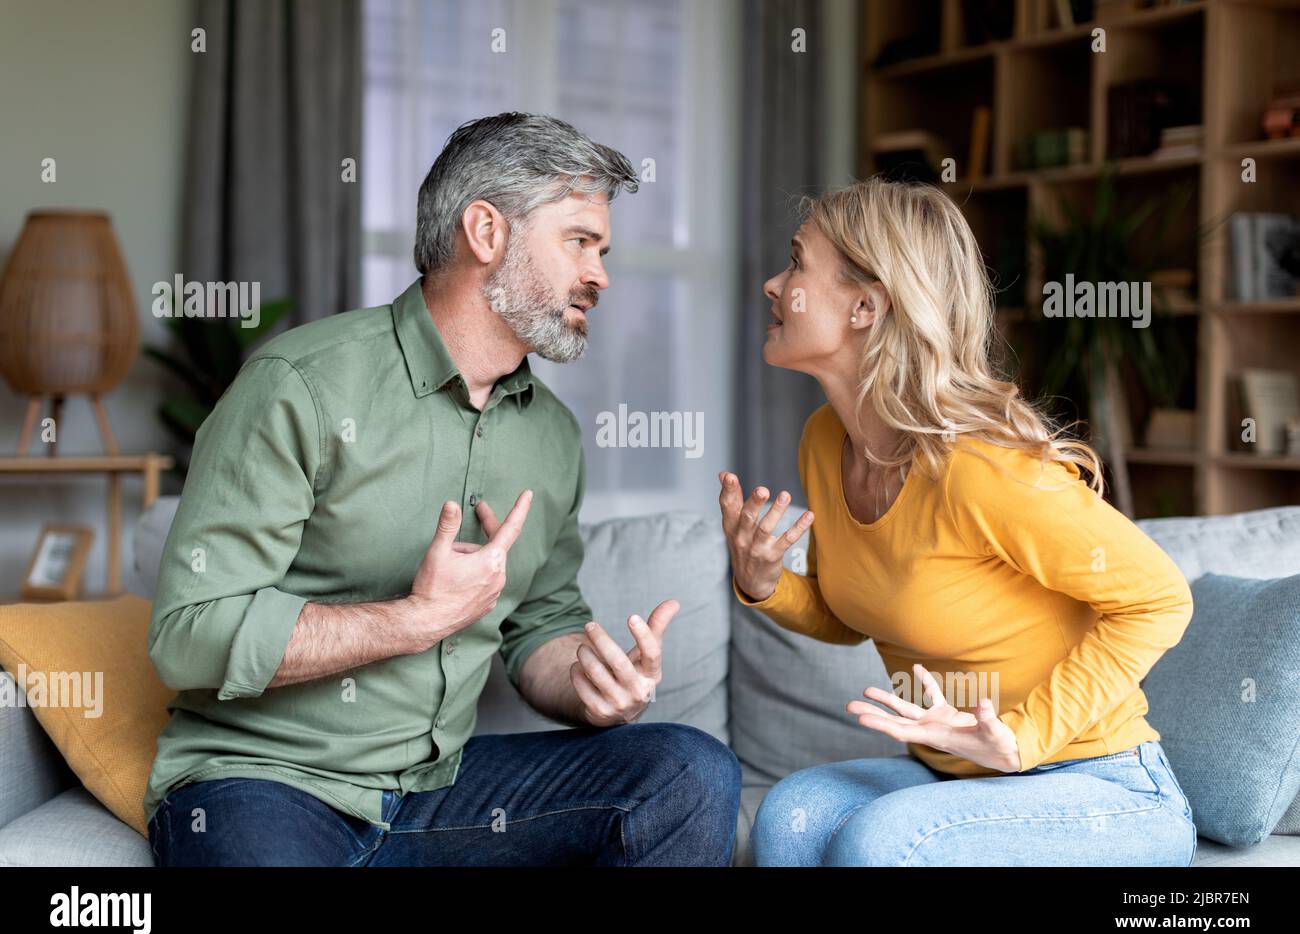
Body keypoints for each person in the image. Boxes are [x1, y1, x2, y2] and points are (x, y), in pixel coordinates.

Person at [145, 112, 740, 866]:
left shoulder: (551, 436)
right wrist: (412, 620)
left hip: (441, 791)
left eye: (604, 249)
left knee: (688, 772)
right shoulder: (300, 387)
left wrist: (591, 687)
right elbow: (187, 634)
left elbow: (542, 628)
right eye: (580, 242)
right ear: (486, 232)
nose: (601, 275)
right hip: (265, 782)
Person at [718, 176, 1197, 867]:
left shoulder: (982, 470)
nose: (772, 283)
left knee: (881, 844)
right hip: (955, 778)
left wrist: (1025, 737)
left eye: (796, 261)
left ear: (864, 306)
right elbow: (851, 612)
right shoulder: (826, 442)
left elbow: (1160, 598)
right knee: (790, 818)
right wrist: (765, 584)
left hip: (1099, 783)